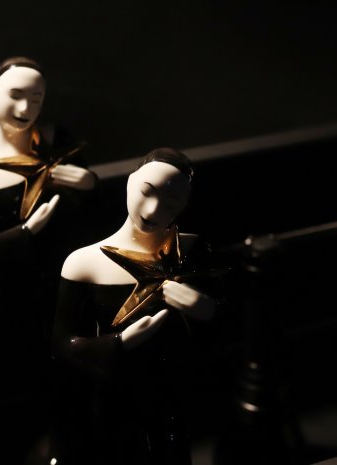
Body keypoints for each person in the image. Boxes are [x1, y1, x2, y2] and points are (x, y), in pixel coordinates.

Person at [52, 148, 217, 465]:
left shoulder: (194, 251)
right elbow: (63, 345)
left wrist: (204, 307)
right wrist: (121, 342)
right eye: (147, 191)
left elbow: (227, 322)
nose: (154, 209)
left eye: (172, 202)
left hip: (173, 392)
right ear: (130, 183)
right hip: (113, 395)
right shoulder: (82, 263)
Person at [0, 57, 96, 258]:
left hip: (68, 259)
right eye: (15, 95)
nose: (25, 108)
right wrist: (25, 231)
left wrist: (89, 181)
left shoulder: (58, 141)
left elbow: (93, 210)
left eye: (36, 99)